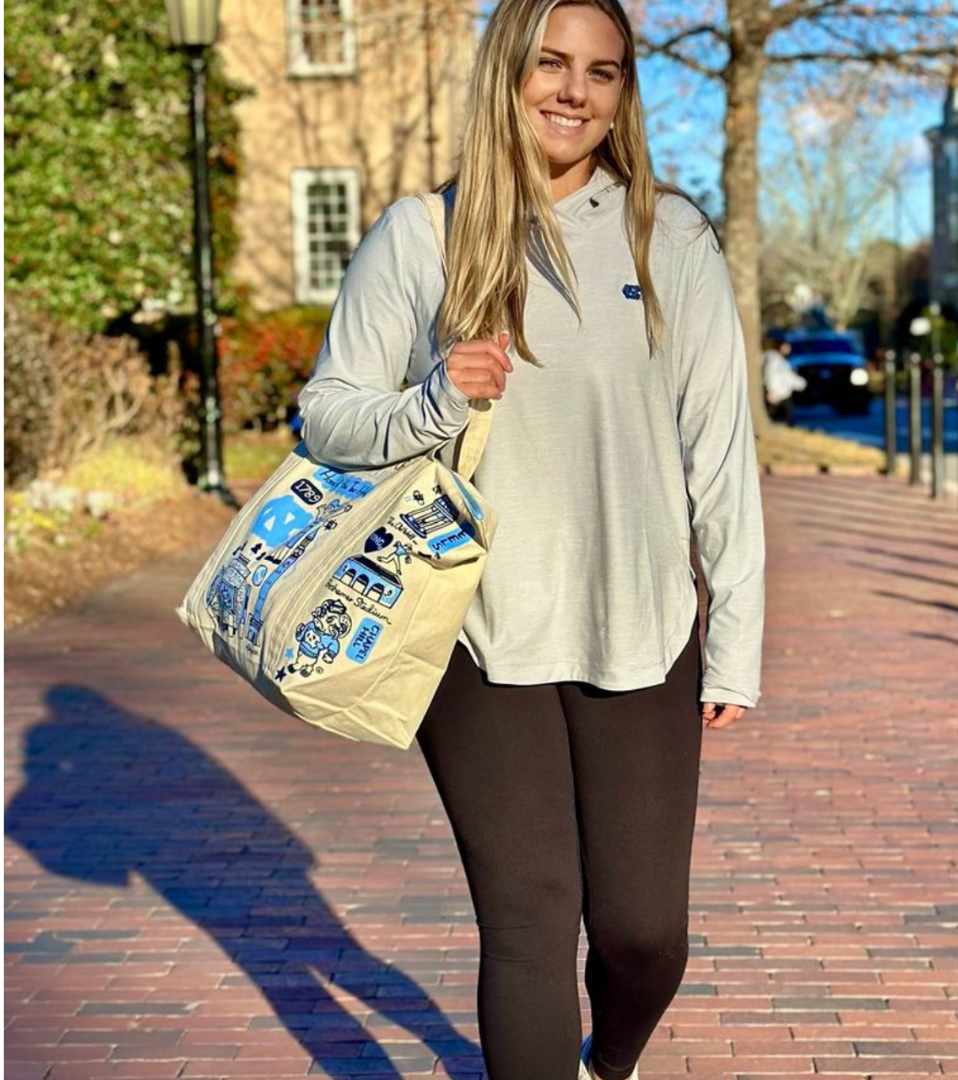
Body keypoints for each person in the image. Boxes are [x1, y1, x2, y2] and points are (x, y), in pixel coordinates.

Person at [296, 1, 765, 1077]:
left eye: (602, 72)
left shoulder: (669, 234)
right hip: (470, 633)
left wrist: (737, 637)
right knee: (528, 929)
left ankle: (612, 1062)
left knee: (646, 934)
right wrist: (429, 401)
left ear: (622, 93)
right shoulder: (422, 235)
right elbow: (327, 412)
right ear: (506, 72)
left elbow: (721, 455)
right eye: (550, 64)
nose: (573, 91)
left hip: (640, 628)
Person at [762, 339, 806, 424]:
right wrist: (772, 391)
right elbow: (771, 376)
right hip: (777, 392)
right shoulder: (774, 360)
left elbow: (788, 377)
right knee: (773, 411)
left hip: (783, 392)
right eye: (785, 347)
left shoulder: (782, 360)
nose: (787, 350)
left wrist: (800, 383)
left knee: (788, 410)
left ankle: (789, 424)